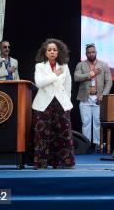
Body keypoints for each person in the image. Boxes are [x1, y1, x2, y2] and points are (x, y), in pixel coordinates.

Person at [32, 38, 75, 169]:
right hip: (43, 103)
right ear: (45, 52)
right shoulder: (39, 66)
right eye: (49, 50)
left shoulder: (64, 66)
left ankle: (63, 162)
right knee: (43, 134)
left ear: (59, 52)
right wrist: (54, 74)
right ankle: (41, 163)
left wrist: (67, 101)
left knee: (63, 132)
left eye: (54, 50)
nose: (52, 52)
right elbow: (39, 83)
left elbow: (68, 85)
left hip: (61, 103)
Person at [74, 43, 112, 150]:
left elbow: (109, 81)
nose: (91, 54)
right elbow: (76, 77)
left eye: (93, 52)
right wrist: (91, 74)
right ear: (86, 54)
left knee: (97, 122)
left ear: (96, 52)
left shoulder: (104, 65)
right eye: (89, 53)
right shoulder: (81, 65)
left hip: (98, 98)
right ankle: (86, 144)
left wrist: (104, 95)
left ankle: (96, 144)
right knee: (86, 122)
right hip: (85, 97)